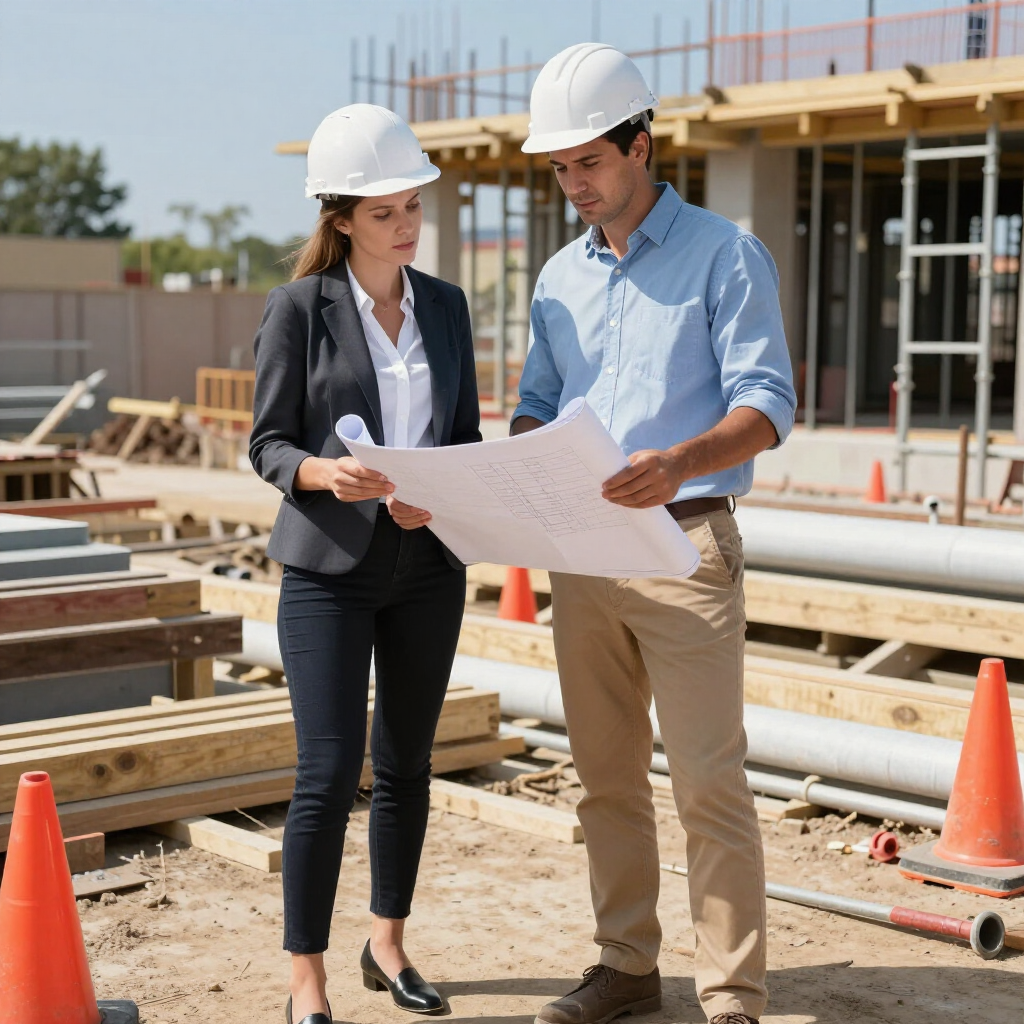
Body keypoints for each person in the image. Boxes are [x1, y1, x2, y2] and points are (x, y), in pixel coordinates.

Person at [511, 45, 797, 1024]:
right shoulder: (556, 277)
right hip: (583, 555)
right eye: (557, 169)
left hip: (684, 543)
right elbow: (535, 405)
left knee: (709, 782)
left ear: (642, 143)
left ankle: (731, 995)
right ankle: (626, 964)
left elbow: (767, 406)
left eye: (587, 161)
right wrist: (513, 468)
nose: (572, 184)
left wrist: (677, 460)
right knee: (603, 778)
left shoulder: (725, 254)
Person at [249, 103, 481, 1024]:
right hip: (326, 574)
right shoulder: (299, 308)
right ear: (341, 217)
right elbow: (266, 444)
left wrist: (449, 494)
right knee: (327, 772)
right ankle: (304, 976)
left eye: (413, 205)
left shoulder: (450, 308)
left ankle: (387, 944)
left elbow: (458, 439)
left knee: (410, 763)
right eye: (384, 212)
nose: (406, 224)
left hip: (428, 566)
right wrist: (318, 470)